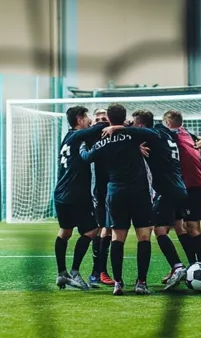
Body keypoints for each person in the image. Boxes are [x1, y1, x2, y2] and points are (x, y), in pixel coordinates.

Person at [80, 103, 155, 296]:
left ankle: (118, 283)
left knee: (117, 238)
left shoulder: (103, 141)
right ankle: (141, 282)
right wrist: (125, 128)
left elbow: (87, 157)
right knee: (144, 237)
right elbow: (156, 135)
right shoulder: (133, 134)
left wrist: (81, 147)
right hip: (139, 192)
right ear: (124, 118)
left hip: (116, 193)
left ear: (109, 119)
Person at [131, 110, 188, 290]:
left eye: (134, 123)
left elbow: (129, 136)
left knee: (159, 230)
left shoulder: (151, 134)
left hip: (167, 189)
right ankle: (188, 266)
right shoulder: (165, 132)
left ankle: (178, 266)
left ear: (140, 125)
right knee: (178, 227)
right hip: (180, 188)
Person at [53, 105, 105, 290]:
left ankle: (62, 274)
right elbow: (99, 128)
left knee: (65, 232)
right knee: (92, 231)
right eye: (88, 117)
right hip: (76, 194)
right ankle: (74, 272)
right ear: (79, 119)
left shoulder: (67, 139)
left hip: (61, 193)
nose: (90, 120)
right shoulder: (77, 136)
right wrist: (119, 124)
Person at [163, 110, 201, 271]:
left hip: (195, 187)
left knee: (192, 227)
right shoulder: (188, 135)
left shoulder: (173, 135)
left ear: (168, 123)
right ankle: (193, 266)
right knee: (179, 226)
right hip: (184, 188)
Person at [89, 109, 113, 287]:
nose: (100, 121)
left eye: (104, 118)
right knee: (100, 230)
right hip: (99, 191)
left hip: (118, 189)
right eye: (97, 118)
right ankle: (98, 271)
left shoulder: (120, 133)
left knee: (112, 231)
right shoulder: (91, 136)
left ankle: (101, 271)